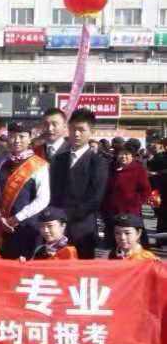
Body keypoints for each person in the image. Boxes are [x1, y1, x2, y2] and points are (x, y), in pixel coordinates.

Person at [49, 108, 108, 259]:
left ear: (91, 132)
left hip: (83, 228)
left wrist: (66, 216)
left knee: (81, 269)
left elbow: (96, 198)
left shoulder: (98, 162)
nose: (76, 134)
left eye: (81, 130)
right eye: (73, 129)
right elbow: (52, 191)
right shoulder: (58, 159)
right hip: (56, 228)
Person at [0, 121, 50, 260]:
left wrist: (18, 217)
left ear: (30, 138)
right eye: (12, 136)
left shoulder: (39, 165)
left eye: (22, 136)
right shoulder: (3, 163)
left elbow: (43, 199)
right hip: (5, 227)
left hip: (29, 227)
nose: (17, 140)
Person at [102, 143, 151, 248]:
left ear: (132, 156)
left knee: (131, 239)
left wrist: (135, 202)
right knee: (114, 240)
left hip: (131, 211)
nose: (123, 156)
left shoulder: (138, 169)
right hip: (112, 210)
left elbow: (145, 190)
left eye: (126, 154)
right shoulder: (111, 168)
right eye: (121, 154)